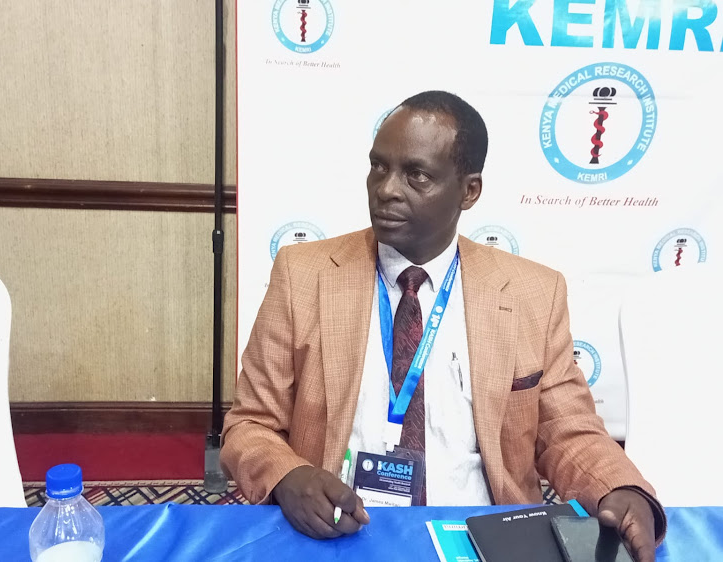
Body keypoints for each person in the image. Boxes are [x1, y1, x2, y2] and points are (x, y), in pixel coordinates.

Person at [221, 91, 665, 561]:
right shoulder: (304, 276)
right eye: (378, 167)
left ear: (468, 190)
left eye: (417, 175)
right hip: (342, 530)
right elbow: (250, 425)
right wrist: (289, 475)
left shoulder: (532, 292)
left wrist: (622, 488)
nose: (387, 188)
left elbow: (568, 430)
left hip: (482, 535)